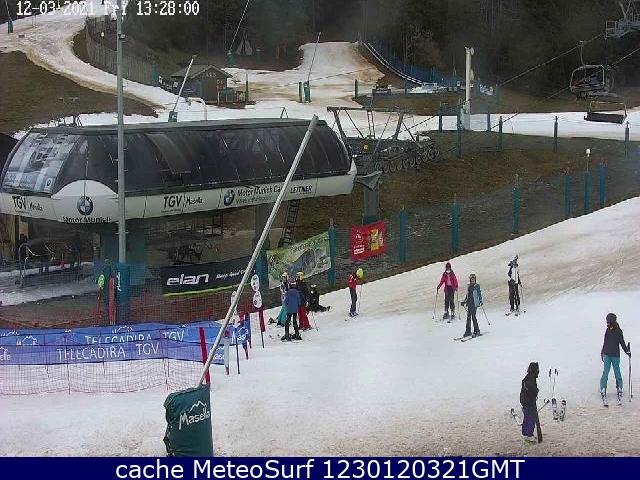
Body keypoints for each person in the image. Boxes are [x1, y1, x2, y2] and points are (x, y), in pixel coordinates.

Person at [600, 313, 631, 402]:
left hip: (615, 355)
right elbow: (605, 341)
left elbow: (622, 342)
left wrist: (626, 351)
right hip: (607, 354)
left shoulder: (618, 331)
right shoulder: (607, 330)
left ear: (612, 321)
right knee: (605, 372)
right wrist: (602, 351)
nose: (607, 323)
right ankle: (603, 388)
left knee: (617, 372)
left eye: (608, 322)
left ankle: (619, 387)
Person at [520, 362, 540, 444]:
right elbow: (532, 390)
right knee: (531, 418)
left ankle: (525, 433)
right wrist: (536, 391)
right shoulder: (531, 379)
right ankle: (529, 435)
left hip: (525, 401)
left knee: (527, 417)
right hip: (529, 402)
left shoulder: (527, 377)